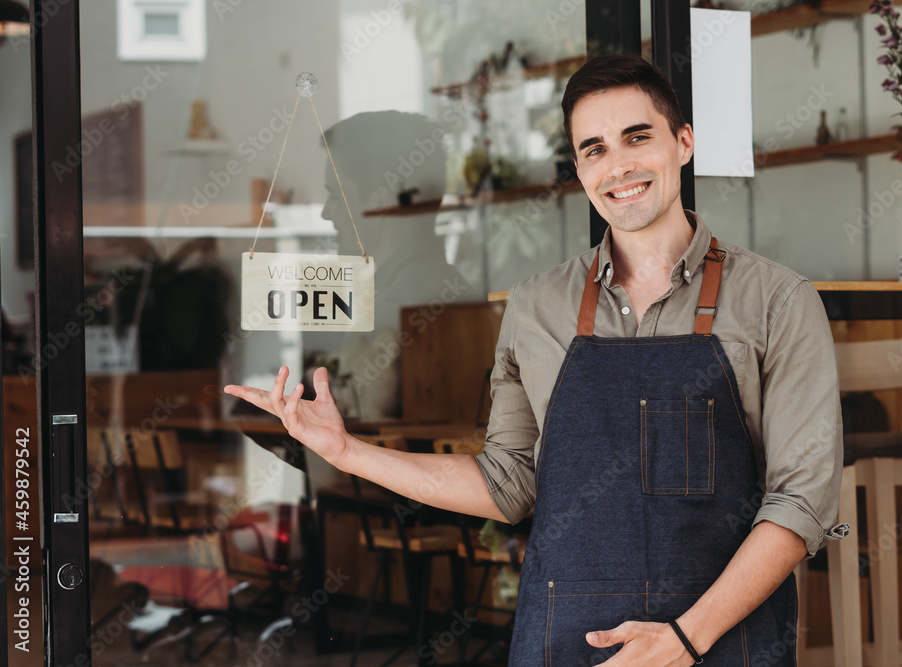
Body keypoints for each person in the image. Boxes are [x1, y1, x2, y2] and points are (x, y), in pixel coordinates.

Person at [226, 54, 845, 666]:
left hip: (723, 642)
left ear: (683, 142)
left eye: (637, 137)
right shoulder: (535, 307)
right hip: (566, 642)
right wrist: (345, 452)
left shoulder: (777, 301)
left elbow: (801, 501)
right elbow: (508, 485)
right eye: (594, 149)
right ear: (579, 168)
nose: (618, 165)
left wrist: (683, 641)